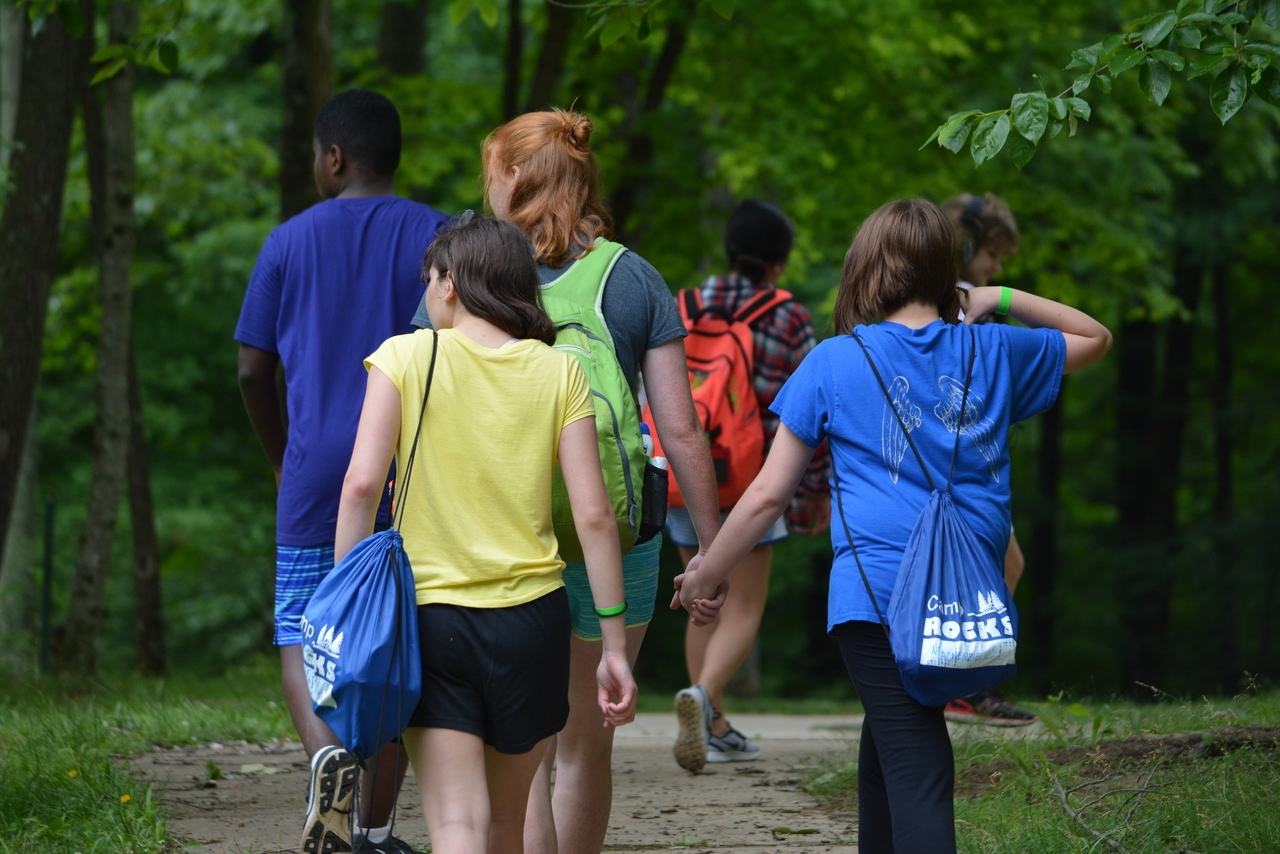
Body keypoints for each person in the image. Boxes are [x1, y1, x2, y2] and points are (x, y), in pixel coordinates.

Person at [675, 198, 1112, 852]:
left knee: (910, 763)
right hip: (962, 594)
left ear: (864, 273)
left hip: (877, 599)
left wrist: (706, 572)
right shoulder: (991, 350)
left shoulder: (834, 361)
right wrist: (999, 295)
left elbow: (768, 496)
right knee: (899, 754)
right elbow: (1094, 337)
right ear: (947, 273)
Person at [409, 110, 723, 854]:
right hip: (616, 533)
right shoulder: (633, 277)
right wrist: (709, 546)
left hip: (502, 537)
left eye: (492, 170)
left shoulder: (469, 274)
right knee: (586, 740)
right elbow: (679, 430)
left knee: (531, 746)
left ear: (513, 174)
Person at [334, 215, 641, 854]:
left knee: (455, 827)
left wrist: (349, 617)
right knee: (508, 827)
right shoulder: (560, 373)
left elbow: (362, 487)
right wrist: (613, 643)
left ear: (450, 284)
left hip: (434, 619)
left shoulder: (404, 356)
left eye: (429, 279)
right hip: (533, 623)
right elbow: (594, 517)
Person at [235, 89, 447, 854]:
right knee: (388, 643)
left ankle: (323, 756)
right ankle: (379, 829)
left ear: (334, 158)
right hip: (408, 474)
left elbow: (253, 370)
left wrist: (278, 454)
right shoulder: (438, 237)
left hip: (313, 469)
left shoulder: (285, 243)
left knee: (300, 627)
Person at [667, 199, 831, 769]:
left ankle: (711, 722)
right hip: (754, 481)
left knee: (701, 598)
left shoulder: (682, 303)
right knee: (743, 605)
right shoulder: (787, 314)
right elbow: (812, 413)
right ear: (779, 263)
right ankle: (703, 699)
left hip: (688, 477)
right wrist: (814, 492)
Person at [940, 191, 1036, 726]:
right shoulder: (966, 301)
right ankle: (967, 685)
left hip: (951, 460)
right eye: (993, 256)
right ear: (968, 245)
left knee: (1002, 564)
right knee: (1006, 563)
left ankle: (966, 683)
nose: (996, 268)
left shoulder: (930, 296)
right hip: (963, 464)